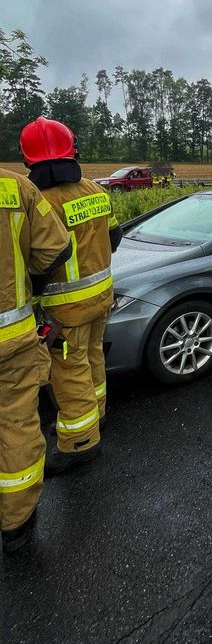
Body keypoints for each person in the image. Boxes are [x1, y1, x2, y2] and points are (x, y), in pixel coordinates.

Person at [19, 117, 123, 477]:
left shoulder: (39, 200)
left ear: (29, 160)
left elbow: (38, 259)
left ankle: (80, 444)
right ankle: (97, 417)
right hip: (102, 297)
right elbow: (115, 237)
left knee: (69, 372)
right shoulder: (96, 190)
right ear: (71, 151)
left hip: (65, 309)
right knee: (93, 359)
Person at [0, 166, 72, 554]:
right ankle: (16, 525)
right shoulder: (14, 187)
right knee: (17, 426)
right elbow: (56, 250)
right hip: (10, 340)